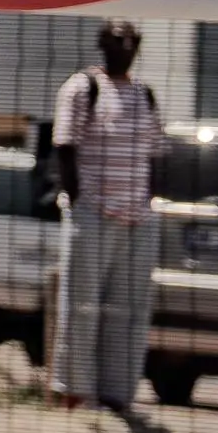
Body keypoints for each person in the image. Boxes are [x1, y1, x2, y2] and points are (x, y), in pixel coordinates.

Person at [47, 20, 166, 412]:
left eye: (132, 41)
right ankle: (75, 390)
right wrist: (78, 199)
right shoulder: (83, 88)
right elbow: (64, 144)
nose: (126, 47)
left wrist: (148, 203)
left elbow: (155, 153)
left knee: (130, 310)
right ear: (102, 44)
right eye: (118, 41)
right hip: (94, 213)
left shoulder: (145, 94)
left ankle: (119, 393)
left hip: (138, 218)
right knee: (81, 305)